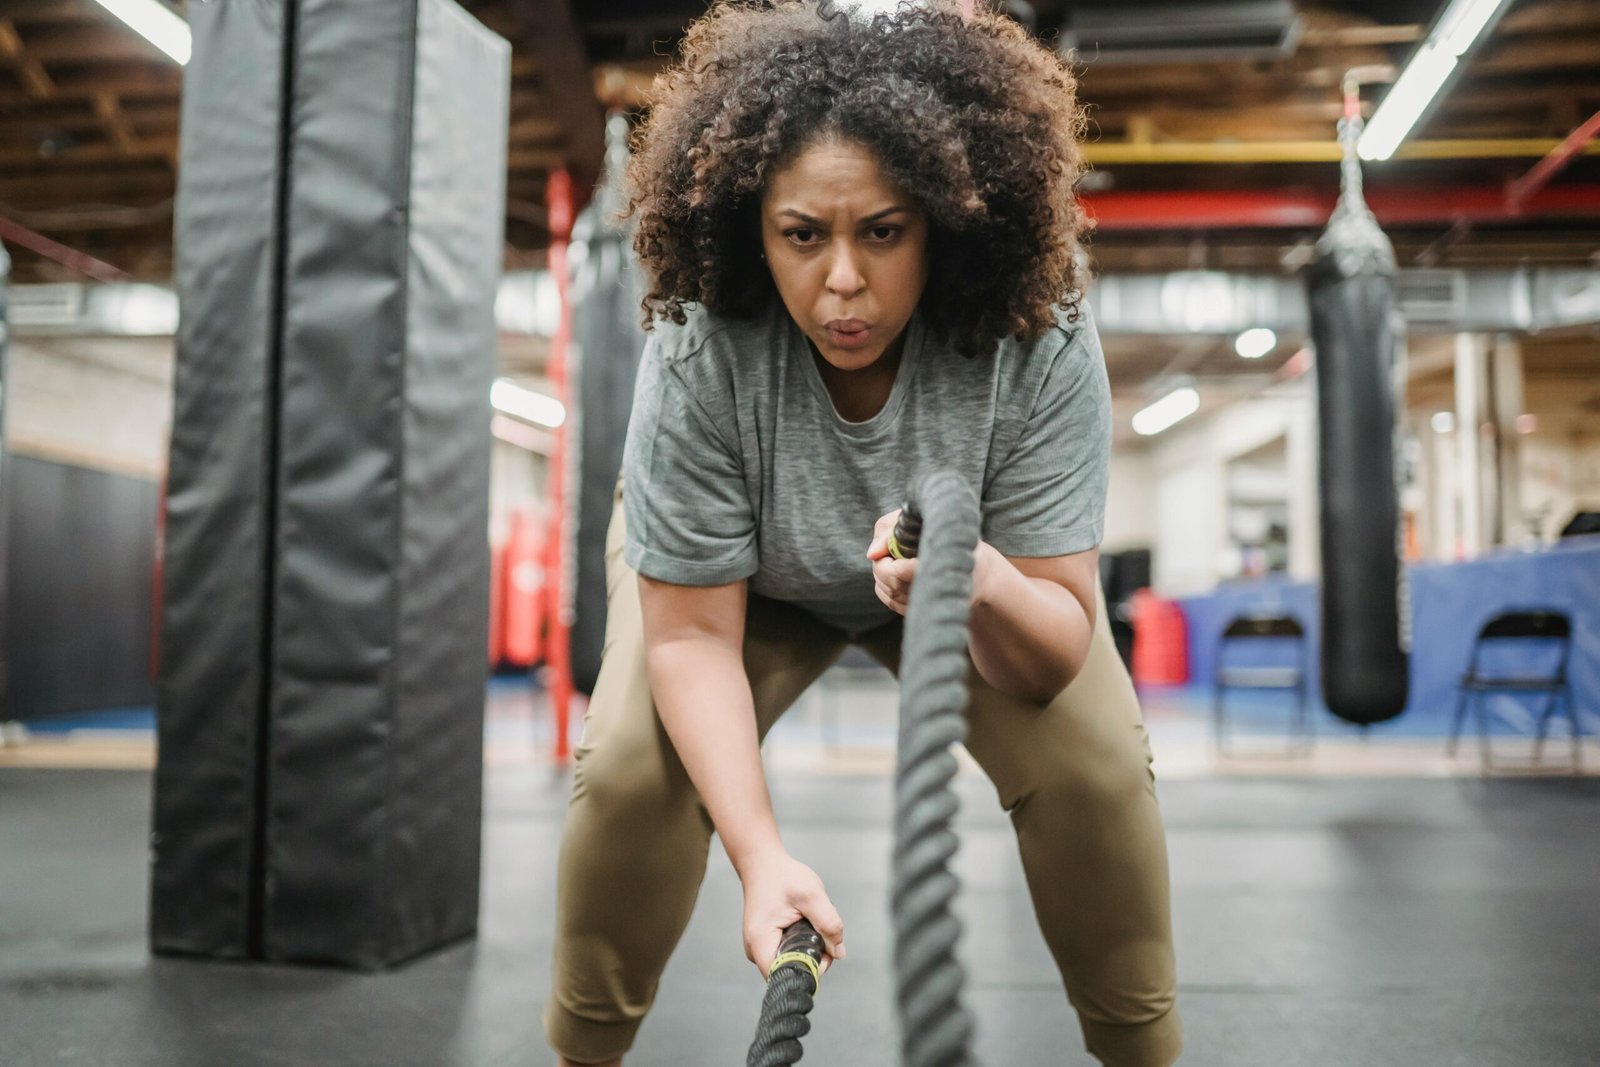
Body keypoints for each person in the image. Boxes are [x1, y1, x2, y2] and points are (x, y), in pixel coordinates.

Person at [544, 3, 1181, 1064]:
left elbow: (1057, 639)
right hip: (743, 591)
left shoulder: (1038, 328)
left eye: (882, 232)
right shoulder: (700, 335)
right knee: (625, 778)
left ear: (945, 220)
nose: (842, 280)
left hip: (960, 586)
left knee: (1098, 771)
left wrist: (977, 581)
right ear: (753, 226)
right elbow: (693, 636)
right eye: (803, 235)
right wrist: (762, 860)